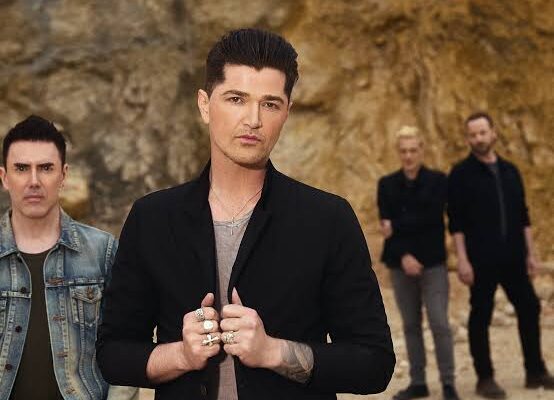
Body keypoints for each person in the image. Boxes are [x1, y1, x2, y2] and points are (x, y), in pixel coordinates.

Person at [96, 28, 395, 400]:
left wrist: (274, 352)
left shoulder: (327, 219)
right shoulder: (153, 218)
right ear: (205, 105)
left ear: (287, 112)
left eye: (270, 104)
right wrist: (181, 356)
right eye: (236, 99)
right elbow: (113, 353)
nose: (253, 119)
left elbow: (374, 363)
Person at [0, 116, 138, 399]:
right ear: (4, 177)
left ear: (63, 175)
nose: (34, 181)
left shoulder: (101, 251)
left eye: (46, 168)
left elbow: (127, 345)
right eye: (22, 168)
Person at [447, 112, 554, 399]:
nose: (478, 139)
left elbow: (523, 216)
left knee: (529, 307)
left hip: (514, 257)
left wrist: (531, 255)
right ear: (468, 139)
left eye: (483, 133)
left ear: (493, 133)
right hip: (480, 259)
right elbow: (455, 223)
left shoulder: (510, 171)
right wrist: (462, 260)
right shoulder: (460, 174)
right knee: (481, 315)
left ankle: (535, 371)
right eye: (473, 135)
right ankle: (485, 378)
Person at [377, 126, 459, 400]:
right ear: (398, 153)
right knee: (411, 325)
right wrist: (404, 255)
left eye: (413, 150)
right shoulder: (386, 184)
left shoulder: (438, 181)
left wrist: (397, 226)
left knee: (439, 323)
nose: (408, 156)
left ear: (422, 150)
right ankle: (418, 382)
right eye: (403, 151)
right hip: (400, 264)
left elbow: (432, 218)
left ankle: (448, 383)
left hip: (433, 263)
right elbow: (388, 225)